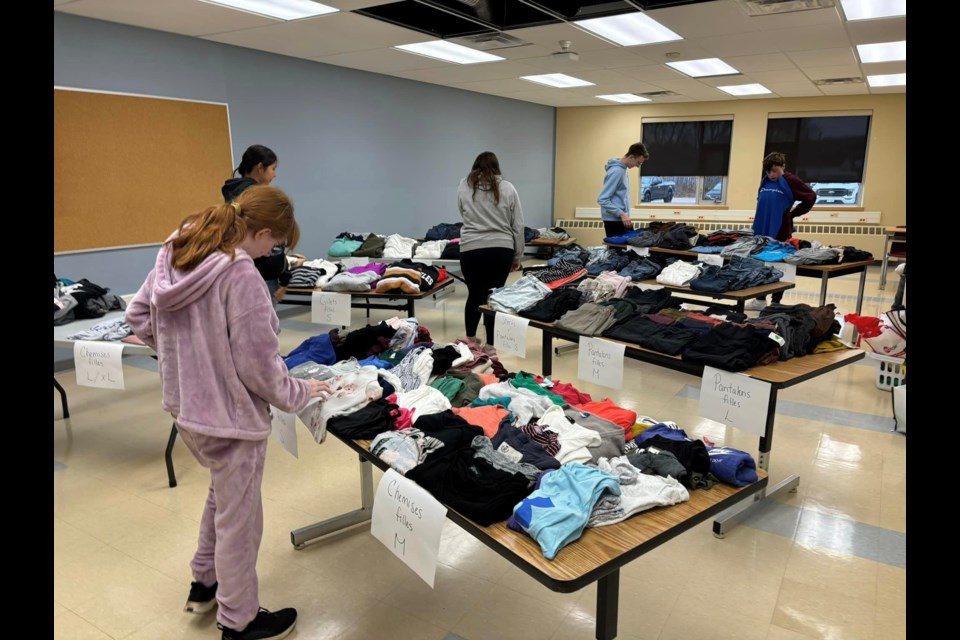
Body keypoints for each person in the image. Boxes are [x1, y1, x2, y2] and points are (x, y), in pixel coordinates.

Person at [125, 185, 330, 640]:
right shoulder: (240, 276)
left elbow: (139, 316)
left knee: (223, 495)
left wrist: (183, 358)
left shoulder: (179, 246)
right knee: (241, 520)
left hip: (186, 408)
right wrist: (301, 393)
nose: (269, 255)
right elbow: (259, 367)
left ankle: (205, 581)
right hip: (231, 419)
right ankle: (239, 620)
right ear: (259, 232)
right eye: (273, 245)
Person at [221, 144, 305, 306]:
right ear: (260, 167)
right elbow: (273, 246)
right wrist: (286, 271)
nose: (275, 175)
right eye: (273, 168)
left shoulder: (233, 196)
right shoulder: (260, 199)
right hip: (262, 277)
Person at [457, 151, 525, 346]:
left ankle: (470, 339)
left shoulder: (464, 185)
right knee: (493, 296)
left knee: (474, 294)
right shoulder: (508, 188)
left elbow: (462, 211)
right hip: (501, 249)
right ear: (496, 167)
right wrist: (517, 256)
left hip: (471, 248)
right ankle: (490, 345)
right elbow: (518, 225)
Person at [745, 151, 817, 311]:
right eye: (768, 171)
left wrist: (793, 214)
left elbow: (811, 196)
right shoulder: (765, 181)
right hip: (762, 229)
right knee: (760, 263)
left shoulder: (791, 181)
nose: (772, 174)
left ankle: (775, 302)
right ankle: (759, 299)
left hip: (780, 230)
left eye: (775, 170)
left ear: (783, 167)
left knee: (778, 266)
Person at [597, 142, 649, 239]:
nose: (638, 166)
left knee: (631, 247)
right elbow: (602, 199)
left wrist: (624, 215)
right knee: (619, 251)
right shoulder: (617, 171)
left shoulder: (623, 170)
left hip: (620, 218)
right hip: (614, 220)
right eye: (638, 162)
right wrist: (621, 214)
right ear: (631, 157)